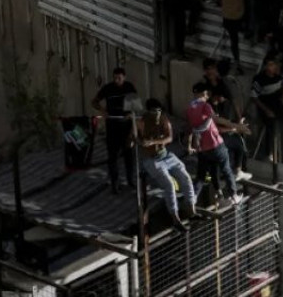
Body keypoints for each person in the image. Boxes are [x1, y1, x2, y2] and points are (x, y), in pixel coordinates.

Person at [137, 98, 196, 230]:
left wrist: (154, 142)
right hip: (151, 159)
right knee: (169, 184)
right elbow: (135, 138)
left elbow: (169, 137)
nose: (157, 114)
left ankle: (192, 210)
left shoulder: (164, 120)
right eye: (154, 111)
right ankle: (175, 218)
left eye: (159, 111)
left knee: (185, 177)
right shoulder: (141, 122)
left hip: (166, 155)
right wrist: (140, 140)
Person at [186, 83, 242, 207]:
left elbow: (191, 129)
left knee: (201, 175)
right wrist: (235, 125)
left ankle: (193, 198)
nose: (207, 96)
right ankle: (234, 196)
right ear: (202, 93)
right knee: (226, 170)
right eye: (206, 93)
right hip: (215, 144)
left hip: (202, 148)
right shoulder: (206, 106)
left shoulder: (189, 109)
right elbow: (216, 120)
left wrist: (190, 146)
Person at [197, 59, 252, 181]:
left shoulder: (221, 83)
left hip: (224, 120)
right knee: (230, 146)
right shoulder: (204, 87)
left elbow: (233, 100)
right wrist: (233, 128)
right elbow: (213, 121)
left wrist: (238, 120)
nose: (211, 72)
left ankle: (238, 170)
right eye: (208, 69)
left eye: (213, 68)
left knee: (239, 145)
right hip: (213, 126)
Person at [92, 67, 138, 194]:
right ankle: (115, 183)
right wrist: (103, 111)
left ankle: (130, 180)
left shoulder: (129, 87)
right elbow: (94, 102)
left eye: (119, 78)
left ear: (124, 77)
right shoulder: (108, 88)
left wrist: (131, 114)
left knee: (129, 155)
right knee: (112, 156)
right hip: (112, 126)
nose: (117, 80)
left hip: (126, 126)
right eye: (115, 78)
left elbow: (136, 105)